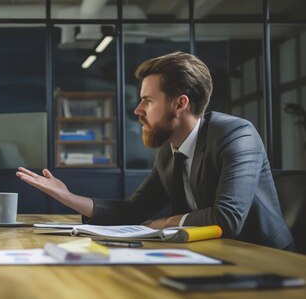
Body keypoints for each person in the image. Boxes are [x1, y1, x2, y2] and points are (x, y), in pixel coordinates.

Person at [17, 52, 294, 250]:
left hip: (266, 259)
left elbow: (228, 217)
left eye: (147, 101)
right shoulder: (168, 152)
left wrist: (168, 222)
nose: (138, 111)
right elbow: (135, 210)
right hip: (210, 253)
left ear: (180, 104)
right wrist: (69, 197)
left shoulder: (236, 135)